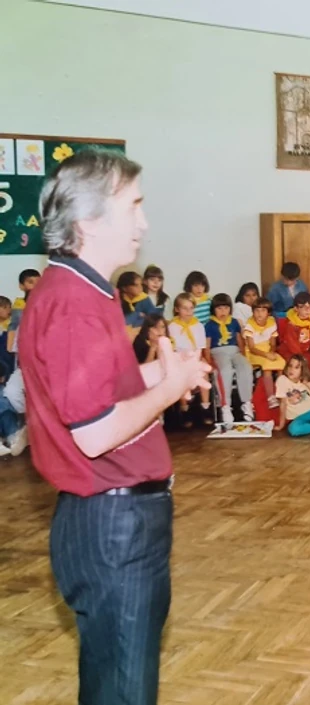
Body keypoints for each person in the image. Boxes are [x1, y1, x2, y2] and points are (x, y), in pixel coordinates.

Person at [18, 148, 210, 705]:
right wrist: (169, 390)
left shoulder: (79, 290)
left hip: (106, 520)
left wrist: (162, 371)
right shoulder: (77, 304)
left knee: (111, 683)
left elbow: (98, 387)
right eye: (134, 207)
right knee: (124, 691)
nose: (144, 223)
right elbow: (96, 431)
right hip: (115, 525)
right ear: (89, 222)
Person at [205, 293, 255, 424]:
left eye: (226, 308)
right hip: (218, 352)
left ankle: (246, 403)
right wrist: (208, 360)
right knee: (225, 369)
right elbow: (207, 344)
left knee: (245, 367)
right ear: (213, 310)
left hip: (235, 351)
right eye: (219, 308)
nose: (223, 312)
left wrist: (243, 355)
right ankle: (225, 406)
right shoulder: (210, 325)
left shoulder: (234, 322)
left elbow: (239, 340)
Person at [168, 292, 214, 427]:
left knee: (203, 370)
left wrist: (196, 360)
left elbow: (200, 347)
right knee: (180, 374)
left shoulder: (198, 325)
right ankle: (185, 408)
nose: (189, 312)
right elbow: (174, 348)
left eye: (191, 308)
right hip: (180, 358)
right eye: (184, 308)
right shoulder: (172, 326)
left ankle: (205, 406)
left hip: (195, 357)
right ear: (177, 309)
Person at [243, 296, 285, 409]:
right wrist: (266, 355)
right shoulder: (249, 325)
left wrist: (272, 352)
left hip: (267, 350)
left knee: (281, 364)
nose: (259, 314)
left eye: (263, 310)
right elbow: (251, 348)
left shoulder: (271, 322)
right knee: (267, 367)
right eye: (256, 310)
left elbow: (273, 343)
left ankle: (280, 393)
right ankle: (270, 397)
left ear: (268, 312)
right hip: (254, 353)